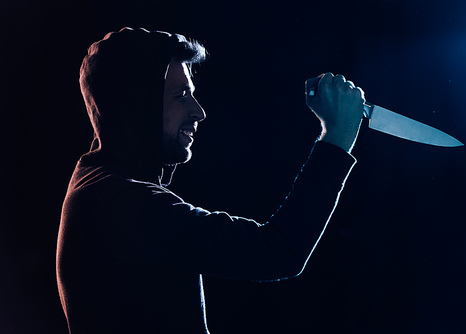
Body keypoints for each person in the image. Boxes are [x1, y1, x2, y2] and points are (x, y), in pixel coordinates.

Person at [56, 27, 365, 334]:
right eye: (181, 96)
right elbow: (277, 252)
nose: (199, 111)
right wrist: (337, 137)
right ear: (137, 104)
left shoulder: (101, 186)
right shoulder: (120, 202)